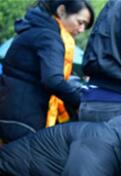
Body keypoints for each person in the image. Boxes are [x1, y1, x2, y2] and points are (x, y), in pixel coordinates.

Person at [0, 0, 94, 142]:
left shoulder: (34, 28)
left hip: (9, 107)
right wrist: (82, 103)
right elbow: (53, 80)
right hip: (23, 115)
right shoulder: (49, 37)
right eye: (80, 22)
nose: (81, 29)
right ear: (61, 11)